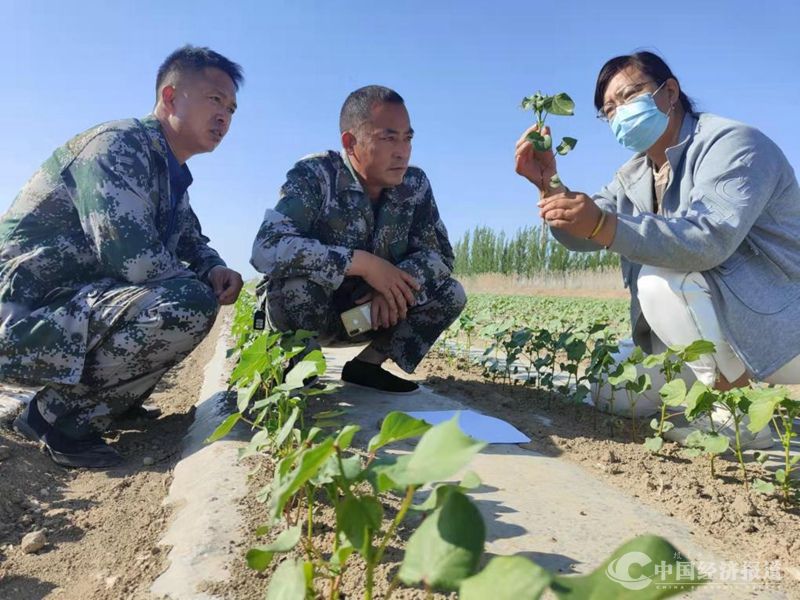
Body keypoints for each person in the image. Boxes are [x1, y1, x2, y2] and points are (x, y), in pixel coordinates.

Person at [514, 51, 800, 447]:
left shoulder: (734, 145)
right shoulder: (634, 174)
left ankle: (737, 412)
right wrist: (550, 184)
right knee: (610, 390)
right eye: (609, 110)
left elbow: (708, 238)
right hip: (710, 335)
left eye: (629, 96)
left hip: (778, 325)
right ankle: (703, 391)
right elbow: (584, 230)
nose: (619, 114)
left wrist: (602, 224)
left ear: (670, 92)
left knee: (660, 278)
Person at [1, 45, 245, 467]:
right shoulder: (117, 148)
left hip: (70, 304)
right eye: (214, 100)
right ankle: (53, 417)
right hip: (21, 312)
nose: (224, 117)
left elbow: (191, 240)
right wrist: (199, 285)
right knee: (184, 304)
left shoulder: (168, 175)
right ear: (170, 98)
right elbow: (134, 262)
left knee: (187, 294)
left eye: (232, 109)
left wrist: (215, 267)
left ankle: (109, 401)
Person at [251, 85, 465, 394]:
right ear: (351, 143)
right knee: (294, 282)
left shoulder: (414, 185)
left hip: (364, 318)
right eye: (388, 138)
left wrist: (392, 288)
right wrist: (363, 264)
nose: (402, 151)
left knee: (450, 293)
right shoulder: (316, 176)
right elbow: (266, 247)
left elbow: (440, 256)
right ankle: (299, 366)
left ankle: (366, 366)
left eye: (408, 138)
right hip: (310, 314)